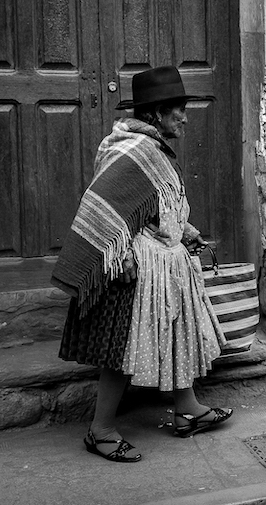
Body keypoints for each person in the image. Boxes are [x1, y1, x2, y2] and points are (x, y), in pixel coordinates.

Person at [53, 66, 232, 463]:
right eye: (176, 111)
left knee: (175, 334)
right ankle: (99, 430)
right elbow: (108, 211)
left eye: (184, 109)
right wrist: (124, 257)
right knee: (124, 350)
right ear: (154, 114)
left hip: (167, 261)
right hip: (135, 267)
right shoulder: (131, 149)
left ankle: (187, 410)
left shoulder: (153, 147)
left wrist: (183, 229)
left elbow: (152, 205)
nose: (184, 117)